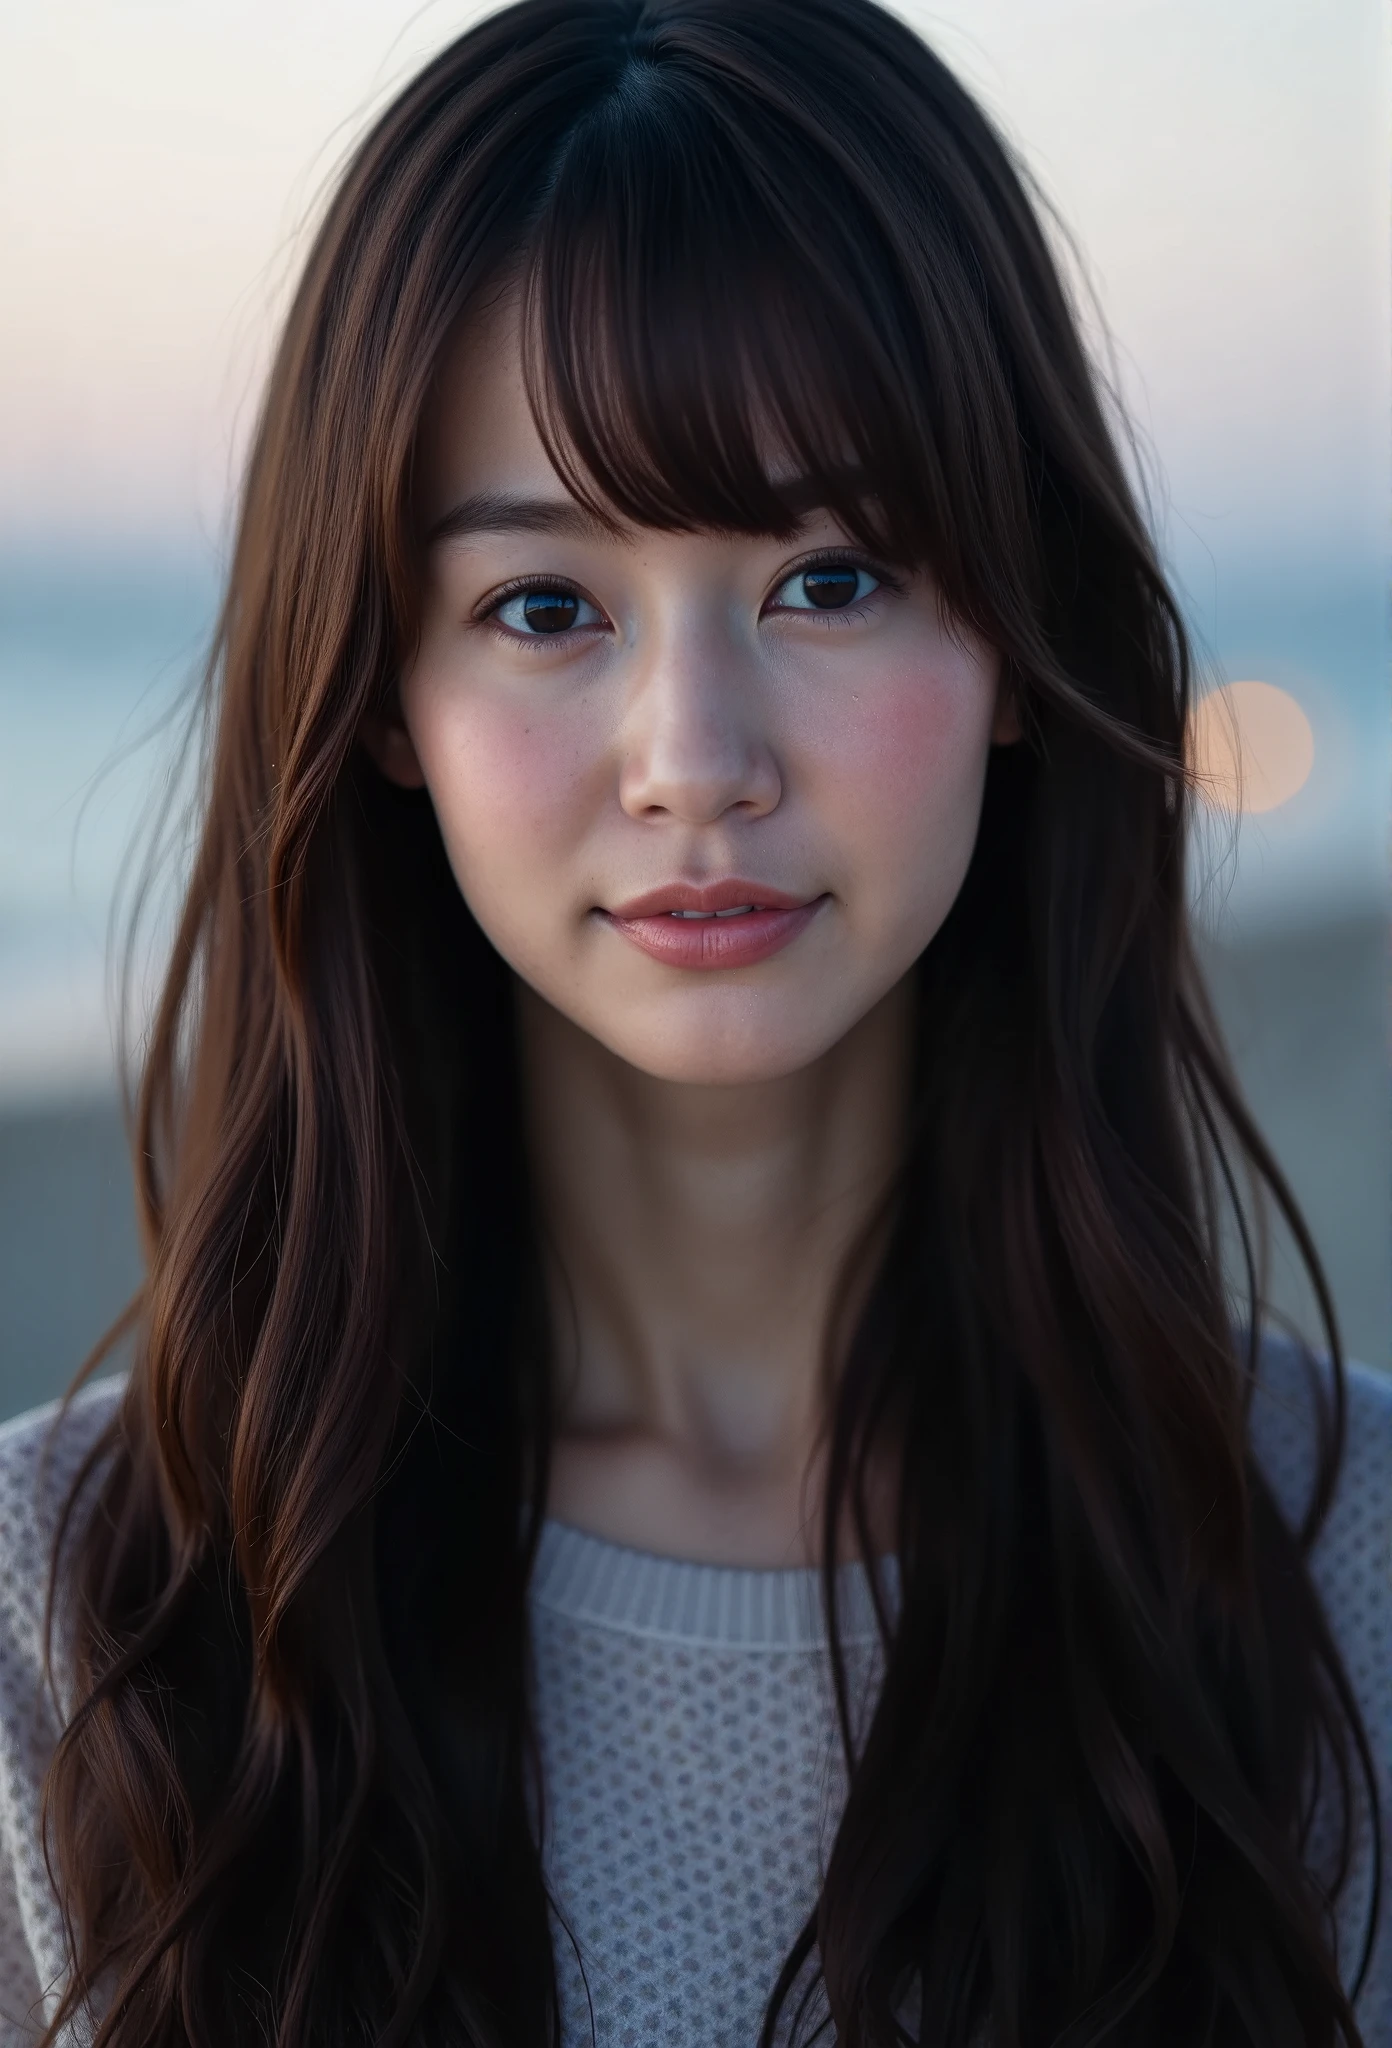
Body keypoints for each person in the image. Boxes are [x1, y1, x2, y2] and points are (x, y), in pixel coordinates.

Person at [0, 1, 1386, 2041]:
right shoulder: (73, 1619)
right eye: (545, 607)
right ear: (385, 697)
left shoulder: (1341, 1573)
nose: (694, 756)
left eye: (830, 578)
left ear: (1018, 633)